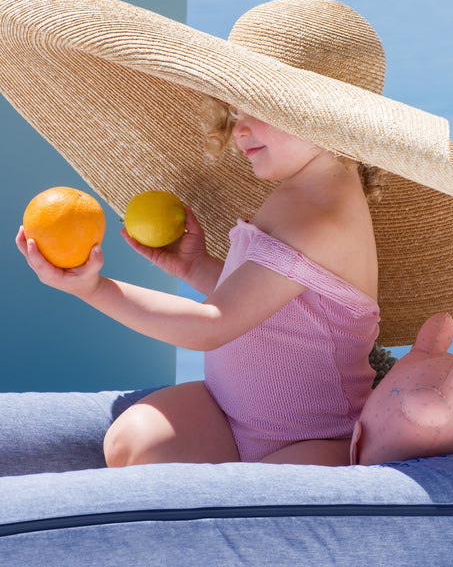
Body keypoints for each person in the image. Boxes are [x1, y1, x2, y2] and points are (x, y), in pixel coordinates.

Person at [16, 100, 381, 467]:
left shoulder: (323, 218)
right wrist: (196, 268)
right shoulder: (300, 196)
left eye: (261, 111)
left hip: (316, 438)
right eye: (237, 113)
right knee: (133, 444)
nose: (239, 129)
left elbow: (213, 326)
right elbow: (271, 308)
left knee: (259, 501)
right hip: (229, 409)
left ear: (330, 116)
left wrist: (93, 289)